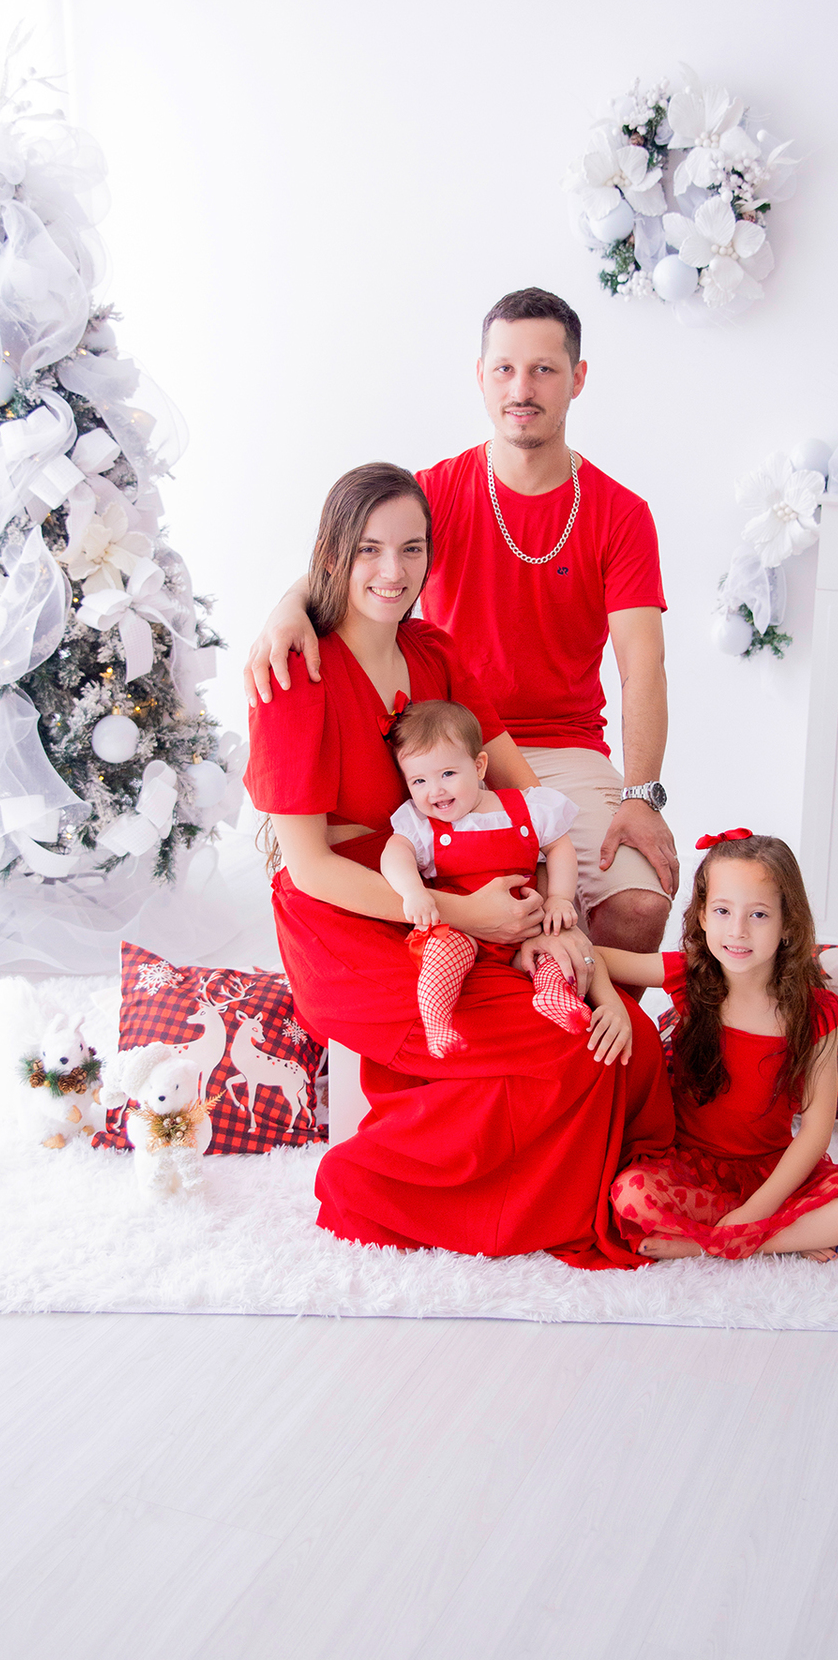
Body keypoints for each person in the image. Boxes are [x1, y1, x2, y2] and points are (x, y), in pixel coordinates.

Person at [244, 461, 678, 1269]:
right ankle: (376, 1182)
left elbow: (522, 789)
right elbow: (309, 870)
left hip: (460, 890)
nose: (392, 571)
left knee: (631, 1043)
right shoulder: (294, 675)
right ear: (331, 556)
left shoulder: (433, 654)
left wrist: (559, 921)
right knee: (568, 1048)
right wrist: (467, 916)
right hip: (358, 924)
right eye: (369, 549)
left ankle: (632, 1181)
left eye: (412, 549)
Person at [244, 286, 677, 962]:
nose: (521, 387)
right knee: (496, 910)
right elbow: (365, 554)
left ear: (578, 379)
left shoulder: (620, 513)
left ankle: (590, 1035)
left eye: (544, 369)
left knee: (638, 908)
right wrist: (287, 605)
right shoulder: (438, 492)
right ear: (481, 377)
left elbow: (642, 667)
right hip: (441, 748)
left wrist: (643, 795)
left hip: (563, 750)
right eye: (504, 368)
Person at [598, 831, 838, 1262]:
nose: (737, 931)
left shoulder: (815, 1012)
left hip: (775, 1174)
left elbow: (815, 1130)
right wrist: (610, 999)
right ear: (701, 915)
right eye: (722, 911)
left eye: (758, 915)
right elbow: (592, 956)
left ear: (787, 923)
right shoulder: (690, 975)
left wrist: (756, 1211)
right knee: (631, 1197)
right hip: (690, 1167)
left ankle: (721, 1243)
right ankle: (789, 1235)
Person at [380, 697, 591, 1058]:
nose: (436, 791)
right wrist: (413, 892)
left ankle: (554, 996)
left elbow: (560, 847)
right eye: (419, 780)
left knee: (552, 952)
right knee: (441, 951)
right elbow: (394, 854)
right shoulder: (422, 825)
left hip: (525, 927)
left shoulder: (525, 806)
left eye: (448, 774)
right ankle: (438, 1022)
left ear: (478, 767)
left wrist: (559, 897)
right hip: (464, 930)